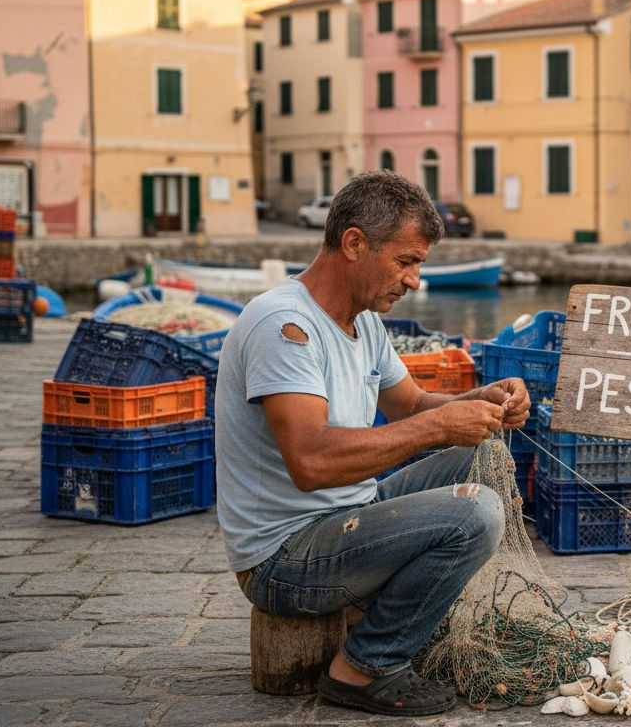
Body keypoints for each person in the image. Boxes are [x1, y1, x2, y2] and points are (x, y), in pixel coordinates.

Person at [215, 170, 530, 717]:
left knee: (484, 456)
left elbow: (409, 404)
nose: (414, 281)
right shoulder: (284, 326)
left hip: (348, 515)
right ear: (355, 243)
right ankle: (365, 666)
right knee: (476, 513)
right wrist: (439, 427)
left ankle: (385, 617)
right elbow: (311, 463)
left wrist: (480, 400)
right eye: (406, 261)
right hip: (284, 559)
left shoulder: (364, 324)